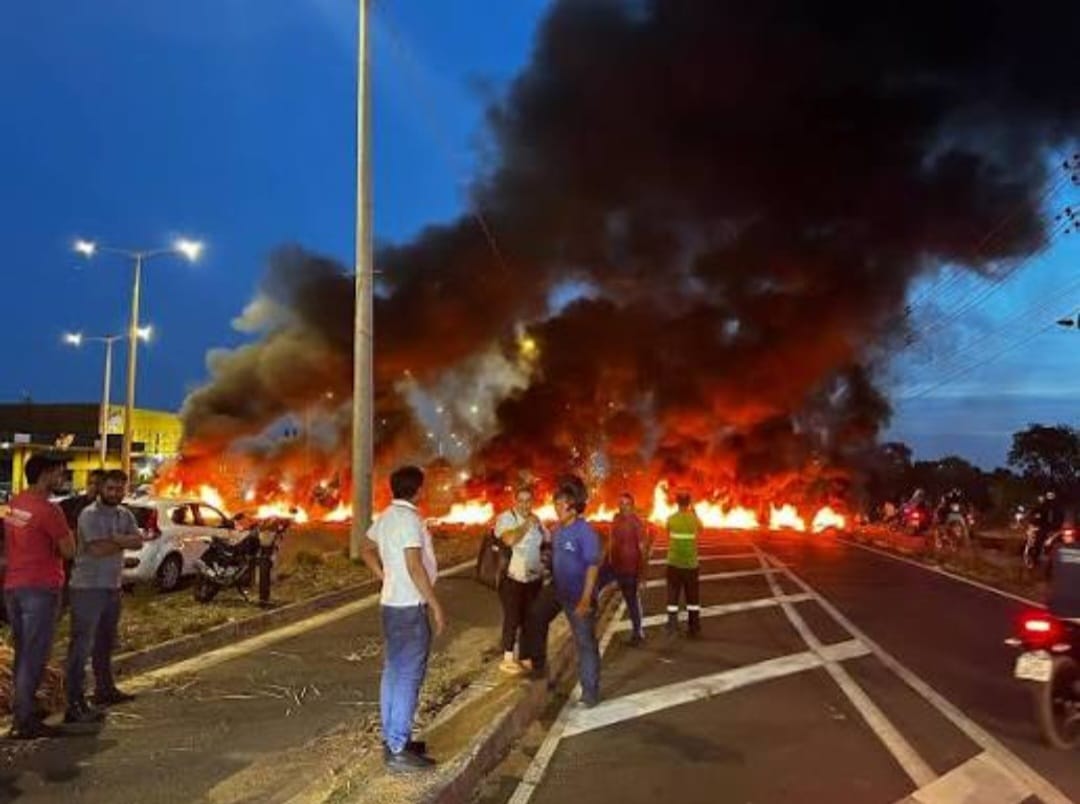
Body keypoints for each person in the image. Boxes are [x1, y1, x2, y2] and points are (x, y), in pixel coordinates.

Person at [360, 466, 444, 773]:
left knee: (394, 672)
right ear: (418, 490)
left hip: (391, 605)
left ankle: (395, 739)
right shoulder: (408, 520)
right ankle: (397, 748)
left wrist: (384, 576)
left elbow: (365, 548)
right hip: (410, 607)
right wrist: (435, 605)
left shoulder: (385, 517)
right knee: (408, 676)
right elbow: (414, 565)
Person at [4, 453, 76, 739]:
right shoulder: (50, 511)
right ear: (46, 474)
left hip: (14, 587)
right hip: (40, 588)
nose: (62, 479)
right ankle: (24, 720)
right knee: (34, 655)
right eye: (60, 473)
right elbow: (69, 550)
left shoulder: (15, 504)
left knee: (23, 652)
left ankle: (24, 708)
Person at [64, 469, 143, 723]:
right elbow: (97, 549)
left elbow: (139, 541)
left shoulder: (125, 514)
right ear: (101, 489)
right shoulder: (89, 515)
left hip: (112, 587)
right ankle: (74, 701)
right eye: (111, 488)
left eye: (120, 489)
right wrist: (124, 541)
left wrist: (117, 539)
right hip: (88, 588)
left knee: (105, 643)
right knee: (81, 645)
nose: (115, 493)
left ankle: (104, 690)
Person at [550, 476, 602, 707]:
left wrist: (585, 599)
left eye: (561, 505)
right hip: (562, 595)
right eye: (556, 504)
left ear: (573, 508)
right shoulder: (558, 531)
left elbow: (592, 567)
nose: (557, 509)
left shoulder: (585, 533)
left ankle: (589, 693)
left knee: (585, 644)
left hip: (580, 600)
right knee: (536, 616)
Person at [493, 486, 547, 674]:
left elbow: (545, 540)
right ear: (515, 501)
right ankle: (507, 658)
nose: (525, 504)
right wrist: (526, 525)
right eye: (521, 500)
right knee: (512, 617)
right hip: (512, 578)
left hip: (533, 578)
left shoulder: (537, 519)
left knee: (530, 619)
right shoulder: (506, 518)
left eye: (528, 500)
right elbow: (509, 540)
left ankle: (525, 657)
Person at [608, 492, 651, 645]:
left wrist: (643, 575)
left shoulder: (637, 523)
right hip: (618, 568)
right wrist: (610, 564)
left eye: (626, 504)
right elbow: (612, 543)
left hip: (632, 569)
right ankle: (637, 631)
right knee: (627, 598)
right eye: (621, 503)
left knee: (632, 601)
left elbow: (643, 550)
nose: (623, 507)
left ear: (632, 505)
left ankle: (638, 632)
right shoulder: (616, 520)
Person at [665, 491, 702, 637]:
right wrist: (694, 513)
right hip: (691, 565)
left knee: (673, 597)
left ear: (677, 503)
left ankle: (672, 625)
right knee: (692, 598)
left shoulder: (671, 519)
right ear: (689, 502)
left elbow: (668, 532)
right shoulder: (694, 519)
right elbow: (701, 529)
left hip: (674, 564)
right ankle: (694, 627)